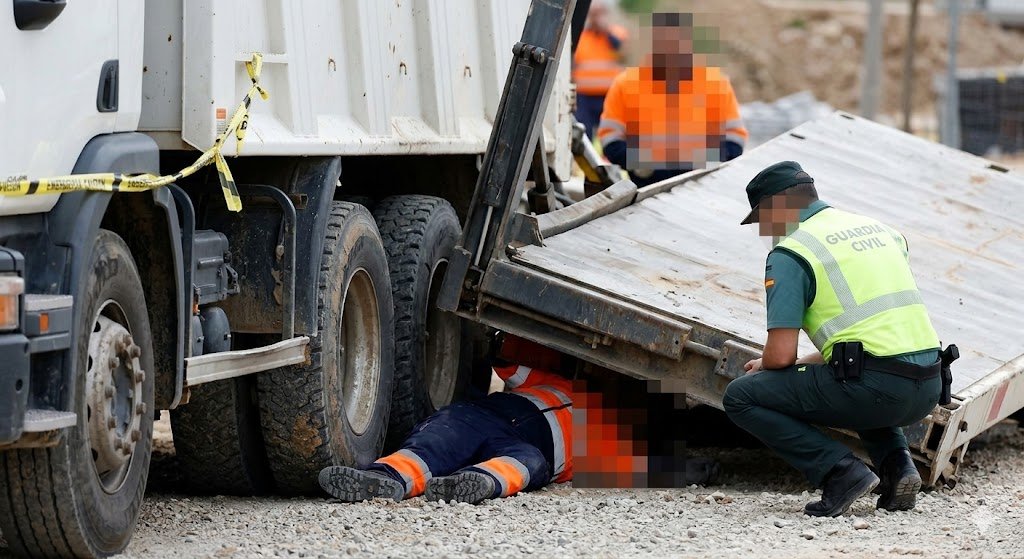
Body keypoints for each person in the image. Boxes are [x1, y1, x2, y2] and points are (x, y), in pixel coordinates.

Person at [722, 161, 945, 517]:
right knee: (853, 377)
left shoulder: (792, 252)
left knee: (740, 397)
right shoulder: (882, 231)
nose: (765, 231)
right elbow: (865, 338)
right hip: (928, 386)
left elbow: (780, 356)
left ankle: (840, 473)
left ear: (777, 207)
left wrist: (767, 365)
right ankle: (898, 469)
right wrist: (793, 364)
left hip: (876, 388)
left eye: (762, 220)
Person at [319, 337, 573, 504]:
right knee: (434, 443)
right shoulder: (559, 383)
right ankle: (383, 478)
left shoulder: (605, 441)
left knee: (530, 465)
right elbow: (509, 365)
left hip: (530, 447)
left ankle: (473, 482)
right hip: (481, 416)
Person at [597, 12, 748, 187]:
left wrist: (709, 163)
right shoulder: (626, 84)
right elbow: (610, 137)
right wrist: (638, 162)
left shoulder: (715, 83)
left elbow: (735, 137)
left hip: (704, 185)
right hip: (648, 185)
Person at [573, 0, 629, 139]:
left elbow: (623, 52)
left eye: (599, 14)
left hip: (609, 94)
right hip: (584, 96)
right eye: (593, 14)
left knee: (613, 132)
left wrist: (605, 31)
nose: (596, 18)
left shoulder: (617, 34)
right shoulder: (581, 36)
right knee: (584, 133)